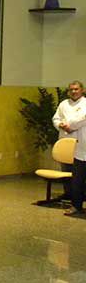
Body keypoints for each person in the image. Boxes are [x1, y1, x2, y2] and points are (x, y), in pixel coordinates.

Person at [53, 81, 86, 213]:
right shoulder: (63, 104)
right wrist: (60, 125)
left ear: (82, 90)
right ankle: (74, 202)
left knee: (79, 177)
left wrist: (69, 126)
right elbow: (56, 118)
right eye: (71, 89)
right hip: (66, 142)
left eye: (76, 89)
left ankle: (78, 201)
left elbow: (81, 119)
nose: (73, 91)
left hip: (82, 144)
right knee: (72, 176)